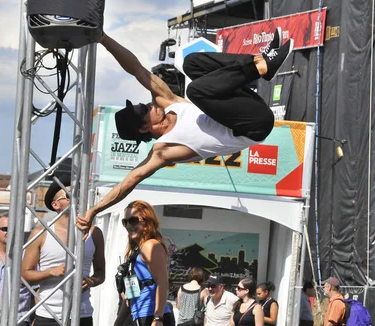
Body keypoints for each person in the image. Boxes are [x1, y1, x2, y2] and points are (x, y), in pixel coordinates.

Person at [75, 31, 294, 233]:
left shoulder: (169, 102)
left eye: (144, 104)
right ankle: (260, 67)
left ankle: (261, 61)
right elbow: (129, 181)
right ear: (143, 127)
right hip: (254, 125)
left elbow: (136, 69)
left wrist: (103, 39)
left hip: (246, 105)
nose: (149, 104)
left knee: (192, 63)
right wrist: (94, 211)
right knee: (195, 91)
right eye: (144, 109)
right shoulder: (163, 151)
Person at [22, 175, 106, 325]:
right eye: (69, 196)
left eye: (79, 194)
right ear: (55, 205)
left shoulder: (95, 233)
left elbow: (101, 274)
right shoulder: (41, 233)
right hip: (48, 314)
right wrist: (50, 272)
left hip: (82, 314)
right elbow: (24, 274)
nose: (77, 199)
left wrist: (91, 281)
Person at [120, 200, 174, 326]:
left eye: (133, 220)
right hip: (140, 313)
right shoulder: (138, 248)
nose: (128, 225)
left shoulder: (151, 245)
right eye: (125, 221)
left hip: (151, 316)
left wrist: (158, 318)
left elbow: (162, 282)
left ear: (147, 221)